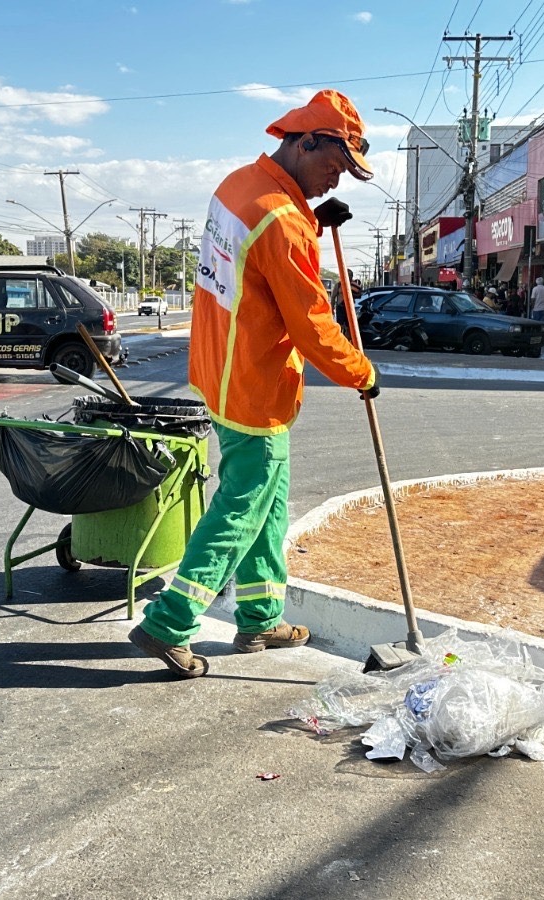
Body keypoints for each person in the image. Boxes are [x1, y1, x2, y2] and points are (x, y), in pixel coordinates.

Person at [128, 89, 378, 678]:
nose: (334, 182)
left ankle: (260, 616)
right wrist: (361, 373)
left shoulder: (239, 187)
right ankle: (169, 623)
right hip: (255, 384)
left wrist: (313, 221)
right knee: (241, 506)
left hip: (221, 368)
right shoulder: (283, 222)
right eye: (333, 166)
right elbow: (312, 324)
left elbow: (256, 267)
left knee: (268, 502)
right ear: (306, 140)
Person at [529, 276, 544, 352]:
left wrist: (532, 306)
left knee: (536, 324)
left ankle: (536, 336)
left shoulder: (535, 289)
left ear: (536, 282)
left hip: (537, 309)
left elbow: (533, 299)